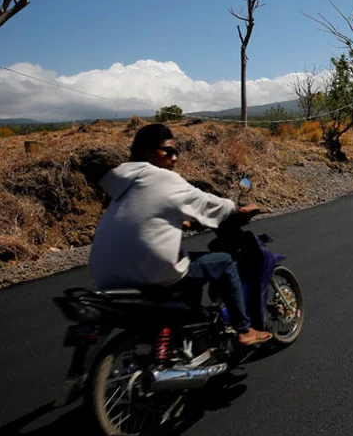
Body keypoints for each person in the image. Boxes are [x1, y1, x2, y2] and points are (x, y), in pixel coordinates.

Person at [89, 123, 272, 346]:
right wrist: (236, 209)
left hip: (106, 275)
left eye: (176, 151)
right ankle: (244, 329)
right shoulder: (161, 178)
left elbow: (147, 214)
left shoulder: (125, 183)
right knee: (224, 262)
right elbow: (204, 201)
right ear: (147, 152)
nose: (174, 157)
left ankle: (187, 329)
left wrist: (182, 222)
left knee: (190, 263)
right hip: (148, 270)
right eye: (168, 150)